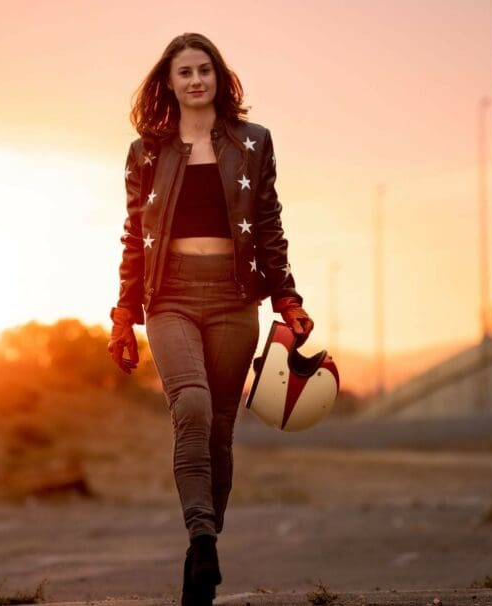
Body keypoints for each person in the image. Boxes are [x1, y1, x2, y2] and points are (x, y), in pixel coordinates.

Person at [107, 32, 314, 606]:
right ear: (169, 83)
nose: (196, 80)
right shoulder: (146, 151)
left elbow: (268, 225)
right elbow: (133, 235)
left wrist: (287, 300)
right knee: (191, 405)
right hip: (169, 295)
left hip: (233, 297)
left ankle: (202, 555)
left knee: (221, 429)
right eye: (184, 72)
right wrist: (125, 315)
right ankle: (202, 538)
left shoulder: (254, 143)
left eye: (204, 70)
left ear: (219, 78)